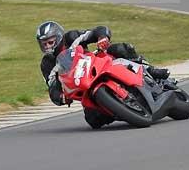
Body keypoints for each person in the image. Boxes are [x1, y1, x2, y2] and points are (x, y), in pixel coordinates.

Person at [36, 20, 170, 129]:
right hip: (83, 86)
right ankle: (118, 110)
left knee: (120, 49)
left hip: (96, 63)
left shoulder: (71, 37)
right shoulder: (47, 64)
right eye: (44, 44)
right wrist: (60, 97)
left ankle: (150, 69)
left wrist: (102, 37)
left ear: (59, 37)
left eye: (50, 42)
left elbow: (96, 31)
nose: (47, 46)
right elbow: (52, 86)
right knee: (93, 120)